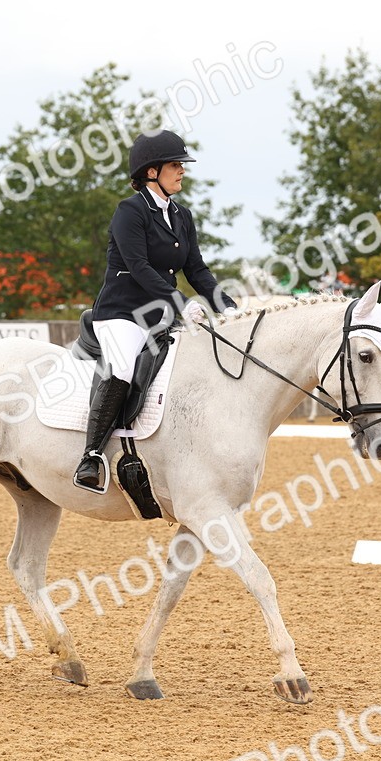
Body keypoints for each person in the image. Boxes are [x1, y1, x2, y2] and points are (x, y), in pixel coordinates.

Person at [74, 130, 238, 492]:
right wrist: (181, 302)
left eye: (181, 165)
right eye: (175, 165)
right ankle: (92, 456)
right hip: (121, 313)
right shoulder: (129, 212)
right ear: (152, 172)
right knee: (122, 365)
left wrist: (228, 308)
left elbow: (196, 269)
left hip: (160, 315)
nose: (182, 171)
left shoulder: (182, 216)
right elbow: (138, 266)